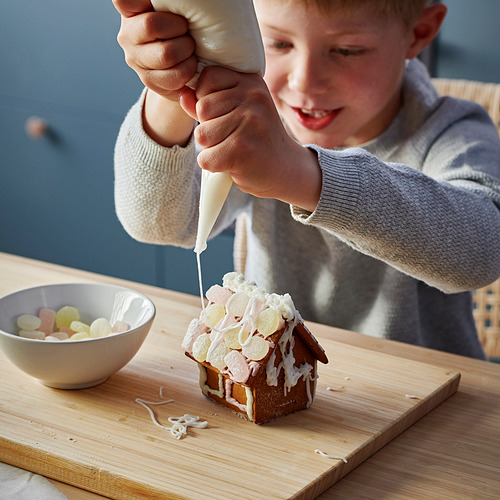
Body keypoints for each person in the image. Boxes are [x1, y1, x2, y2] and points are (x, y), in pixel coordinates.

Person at [112, 0, 500, 359]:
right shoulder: (256, 125)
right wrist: (173, 88)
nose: (304, 82)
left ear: (418, 33)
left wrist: (302, 176)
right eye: (279, 43)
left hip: (426, 407)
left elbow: (484, 249)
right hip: (273, 385)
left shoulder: (451, 131)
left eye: (347, 50)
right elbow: (161, 224)